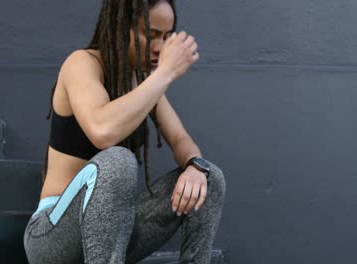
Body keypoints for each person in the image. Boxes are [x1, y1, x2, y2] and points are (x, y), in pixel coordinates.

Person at [22, 0, 226, 263]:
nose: (160, 47)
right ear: (121, 27)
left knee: (209, 177)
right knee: (117, 160)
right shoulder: (82, 64)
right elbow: (102, 131)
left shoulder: (142, 82)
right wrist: (165, 73)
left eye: (166, 37)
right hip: (51, 236)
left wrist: (195, 166)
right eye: (151, 35)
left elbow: (180, 139)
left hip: (112, 235)